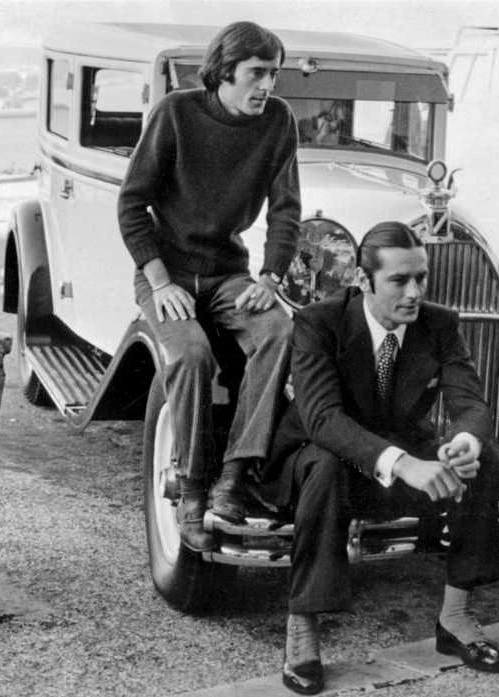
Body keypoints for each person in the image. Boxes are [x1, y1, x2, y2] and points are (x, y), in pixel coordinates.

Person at [270, 221, 499, 694]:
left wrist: (465, 443)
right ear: (363, 279)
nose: (415, 292)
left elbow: (471, 404)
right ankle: (303, 625)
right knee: (326, 464)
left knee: (485, 459)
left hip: (390, 453)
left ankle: (455, 618)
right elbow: (324, 421)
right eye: (400, 280)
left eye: (421, 277)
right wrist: (405, 464)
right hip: (314, 457)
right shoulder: (319, 322)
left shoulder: (439, 324)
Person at [117, 21, 301, 552]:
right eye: (257, 73)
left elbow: (287, 209)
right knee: (192, 354)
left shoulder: (279, 121)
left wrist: (270, 278)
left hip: (228, 273)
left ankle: (235, 478)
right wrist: (157, 280)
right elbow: (132, 203)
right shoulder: (176, 112)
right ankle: (192, 486)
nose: (267, 86)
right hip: (165, 272)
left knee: (279, 332)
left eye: (274, 74)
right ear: (225, 71)